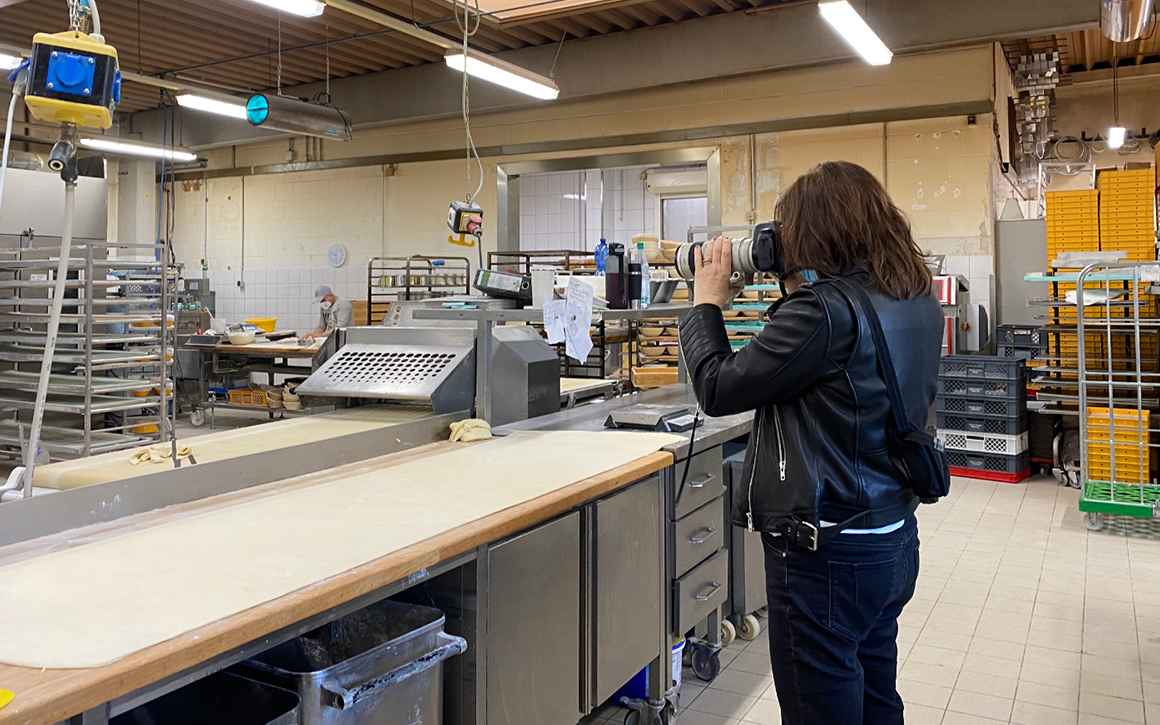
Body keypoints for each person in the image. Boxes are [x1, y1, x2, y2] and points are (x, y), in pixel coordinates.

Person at [679, 161, 944, 725]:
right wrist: (796, 286)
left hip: (827, 556)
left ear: (813, 232)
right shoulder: (914, 297)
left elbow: (718, 385)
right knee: (877, 699)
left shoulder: (824, 313)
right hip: (892, 537)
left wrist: (706, 302)